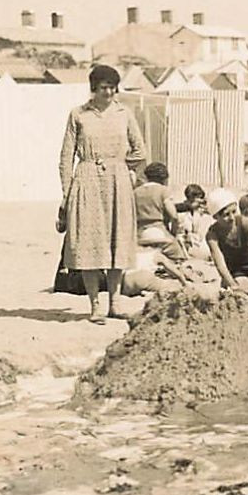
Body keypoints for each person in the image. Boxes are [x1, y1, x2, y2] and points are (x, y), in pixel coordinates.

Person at [58, 65, 146, 323]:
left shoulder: (124, 113)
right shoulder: (78, 114)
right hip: (86, 180)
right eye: (103, 86)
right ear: (93, 87)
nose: (108, 92)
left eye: (112, 86)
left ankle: (115, 303)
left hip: (117, 182)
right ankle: (95, 305)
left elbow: (140, 151)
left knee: (117, 241)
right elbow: (66, 157)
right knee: (90, 244)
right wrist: (67, 190)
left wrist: (122, 166)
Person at [205, 187, 248, 293]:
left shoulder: (245, 223)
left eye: (234, 212)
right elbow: (220, 264)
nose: (232, 217)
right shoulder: (212, 235)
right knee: (242, 286)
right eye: (226, 215)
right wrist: (232, 285)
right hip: (238, 269)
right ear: (215, 217)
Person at [133, 162, 180, 242]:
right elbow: (174, 216)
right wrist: (173, 233)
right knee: (178, 254)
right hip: (159, 230)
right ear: (164, 178)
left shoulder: (136, 192)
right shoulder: (163, 190)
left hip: (140, 232)